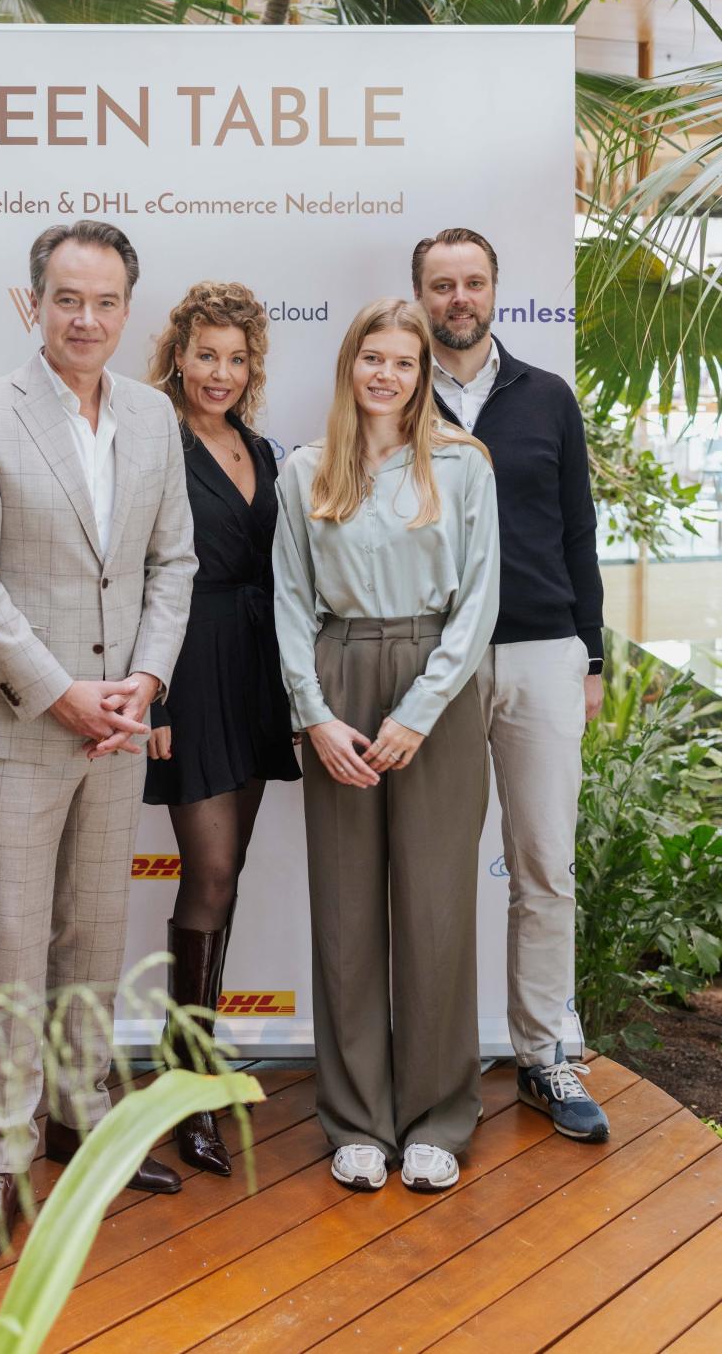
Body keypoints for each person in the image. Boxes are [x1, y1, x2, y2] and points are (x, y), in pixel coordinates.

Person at [0, 219, 196, 1270]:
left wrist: (145, 679)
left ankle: (81, 1121)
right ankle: (2, 1154)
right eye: (67, 298)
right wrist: (59, 692)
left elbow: (173, 563)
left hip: (120, 725)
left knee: (94, 934)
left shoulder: (154, 413)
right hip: (21, 725)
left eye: (105, 301)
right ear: (33, 302)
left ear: (128, 309)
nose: (86, 318)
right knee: (12, 947)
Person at [273, 297, 499, 1194]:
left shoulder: (463, 464)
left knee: (437, 907)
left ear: (422, 374)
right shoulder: (305, 470)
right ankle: (358, 1118)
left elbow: (478, 600)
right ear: (350, 363)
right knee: (346, 912)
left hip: (436, 682)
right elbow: (291, 599)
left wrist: (421, 710)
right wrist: (314, 714)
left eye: (405, 362)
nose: (387, 375)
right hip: (338, 681)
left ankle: (439, 1116)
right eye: (374, 357)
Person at [413, 227, 610, 1142]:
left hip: (541, 653)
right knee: (434, 873)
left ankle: (543, 1053)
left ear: (494, 289)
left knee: (542, 864)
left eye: (473, 281)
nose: (459, 297)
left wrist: (591, 656)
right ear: (421, 296)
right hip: (432, 660)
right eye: (442, 284)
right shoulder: (396, 392)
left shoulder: (547, 396)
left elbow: (579, 529)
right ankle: (434, 1063)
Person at [145, 281, 298, 1176]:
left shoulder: (261, 448)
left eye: (237, 358)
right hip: (188, 666)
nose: (220, 372)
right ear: (178, 355)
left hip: (256, 665)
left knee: (227, 872)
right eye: (206, 354)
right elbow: (137, 570)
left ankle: (194, 1055)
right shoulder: (153, 442)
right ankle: (186, 1083)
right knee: (205, 871)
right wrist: (153, 696)